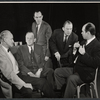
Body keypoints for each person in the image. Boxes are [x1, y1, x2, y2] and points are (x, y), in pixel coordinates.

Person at [54, 22, 100, 98]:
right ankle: (63, 93)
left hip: (86, 73)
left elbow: (96, 63)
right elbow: (75, 59)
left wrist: (84, 54)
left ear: (88, 33)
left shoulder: (97, 45)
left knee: (71, 79)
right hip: (76, 69)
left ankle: (67, 96)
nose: (81, 33)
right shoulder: (83, 42)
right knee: (57, 72)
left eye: (82, 31)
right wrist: (74, 50)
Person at [15, 32, 56, 97]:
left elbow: (42, 61)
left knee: (50, 71)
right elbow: (21, 65)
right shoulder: (20, 49)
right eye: (27, 38)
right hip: (27, 72)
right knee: (39, 80)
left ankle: (48, 91)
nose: (28, 40)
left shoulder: (39, 47)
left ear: (34, 39)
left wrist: (39, 71)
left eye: (31, 38)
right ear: (25, 39)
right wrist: (30, 73)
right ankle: (47, 92)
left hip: (37, 70)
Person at [0, 30, 33, 98]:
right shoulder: (0, 53)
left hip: (17, 75)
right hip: (9, 80)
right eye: (11, 39)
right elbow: (9, 74)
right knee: (28, 90)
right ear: (5, 40)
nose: (13, 41)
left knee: (38, 82)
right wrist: (24, 84)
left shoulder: (8, 48)